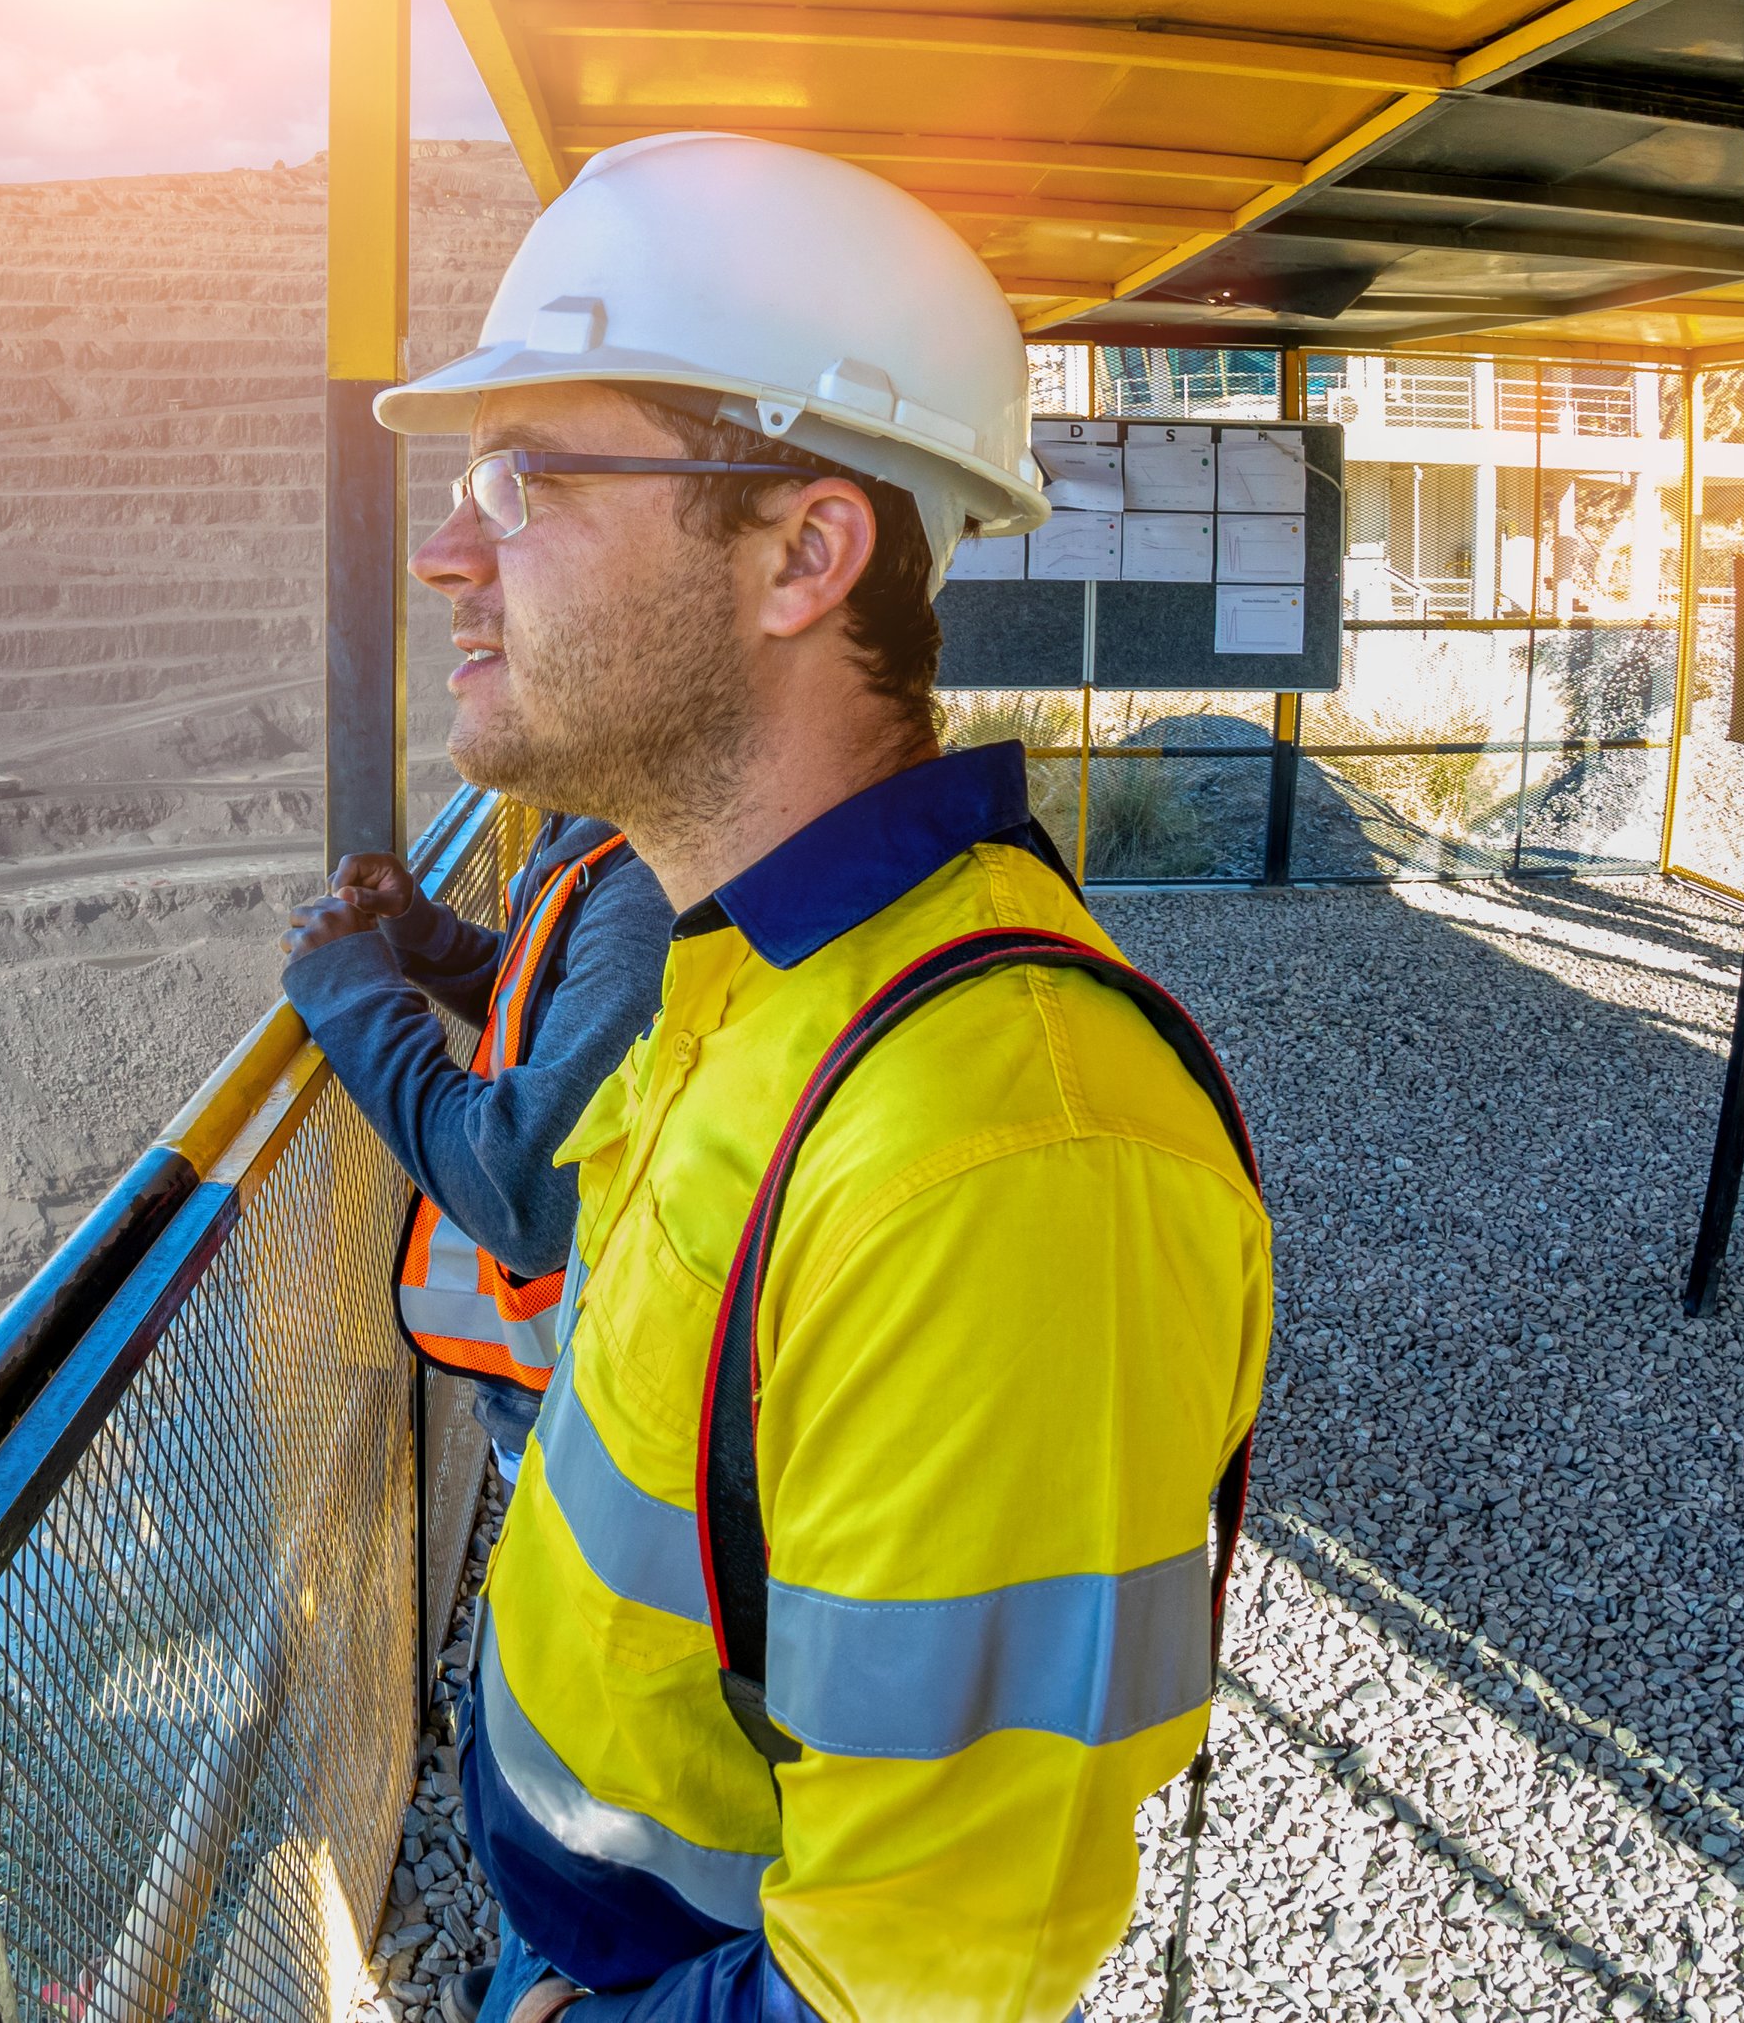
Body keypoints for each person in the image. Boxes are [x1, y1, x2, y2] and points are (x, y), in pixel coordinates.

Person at [370, 131, 1274, 2023]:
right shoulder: (754, 966)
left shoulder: (1004, 1160)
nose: (451, 549)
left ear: (804, 550)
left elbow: (910, 1993)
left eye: (526, 476)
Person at [282, 806, 672, 1469]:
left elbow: (517, 1193)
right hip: (553, 1383)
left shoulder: (648, 889)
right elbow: (557, 1003)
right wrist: (423, 933)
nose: (463, 695)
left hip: (576, 1405)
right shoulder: (599, 828)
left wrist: (352, 995)